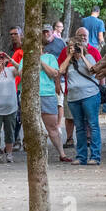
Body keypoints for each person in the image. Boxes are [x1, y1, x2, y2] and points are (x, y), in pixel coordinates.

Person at [63, 33, 102, 165]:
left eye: (76, 46)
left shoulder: (89, 56)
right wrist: (70, 55)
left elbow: (93, 70)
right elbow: (60, 70)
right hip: (74, 98)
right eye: (71, 47)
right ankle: (81, 156)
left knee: (93, 125)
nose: (73, 49)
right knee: (79, 127)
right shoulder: (69, 61)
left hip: (90, 95)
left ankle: (95, 156)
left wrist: (83, 56)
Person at [37, 25, 70, 162]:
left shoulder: (50, 57)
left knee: (52, 127)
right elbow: (21, 73)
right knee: (35, 128)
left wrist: (40, 61)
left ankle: (62, 154)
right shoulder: (26, 58)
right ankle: (38, 156)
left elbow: (54, 73)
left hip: (47, 94)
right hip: (32, 96)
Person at [0, 49, 21, 163]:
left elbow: (22, 70)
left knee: (10, 132)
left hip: (11, 108)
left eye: (1, 56)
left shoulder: (11, 70)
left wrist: (11, 59)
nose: (0, 59)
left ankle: (9, 154)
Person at [8, 27, 25, 150]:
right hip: (14, 86)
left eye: (16, 34)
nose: (13, 36)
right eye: (11, 34)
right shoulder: (10, 49)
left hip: (24, 85)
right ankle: (16, 140)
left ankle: (26, 140)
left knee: (24, 115)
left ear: (21, 34)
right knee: (16, 115)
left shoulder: (24, 49)